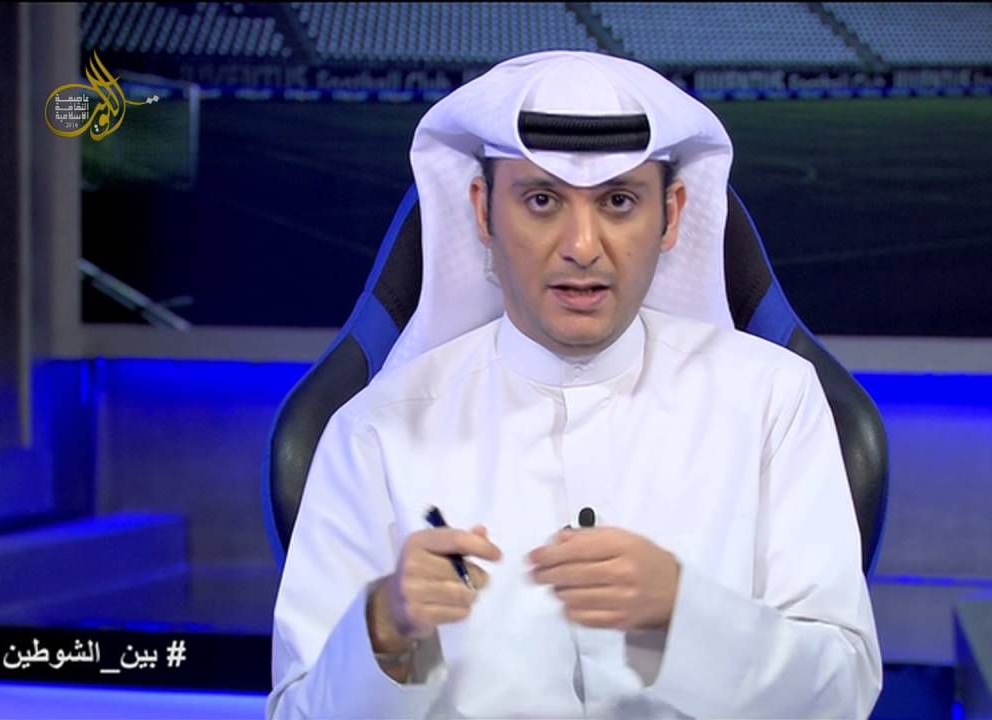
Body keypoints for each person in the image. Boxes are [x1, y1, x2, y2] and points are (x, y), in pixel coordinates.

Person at [267, 50, 881, 719]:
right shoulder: (375, 431)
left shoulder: (773, 402)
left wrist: (685, 614)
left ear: (672, 215)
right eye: (542, 200)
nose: (582, 246)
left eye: (618, 201)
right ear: (483, 212)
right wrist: (383, 631)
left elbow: (843, 692)